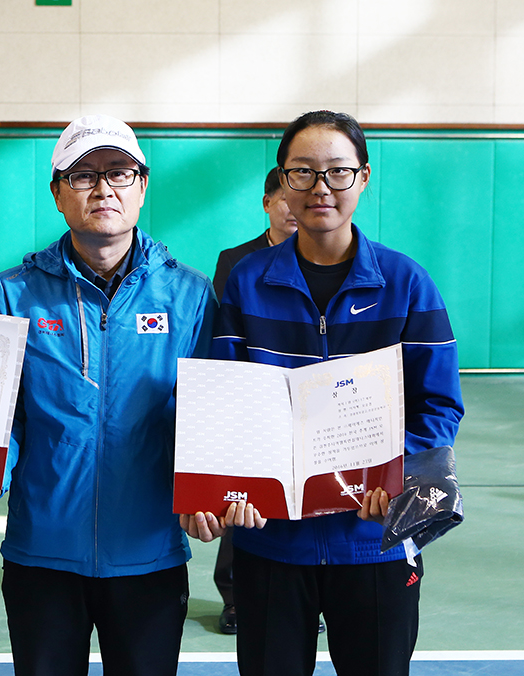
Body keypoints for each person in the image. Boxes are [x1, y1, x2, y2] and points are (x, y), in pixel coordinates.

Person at [188, 110, 464, 676]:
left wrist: (392, 472)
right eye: (303, 172)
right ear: (282, 181)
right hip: (270, 549)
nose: (320, 188)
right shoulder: (247, 282)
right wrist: (227, 486)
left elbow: (439, 407)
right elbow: (227, 400)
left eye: (337, 172)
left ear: (363, 178)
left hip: (376, 542)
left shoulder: (407, 284)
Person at [0, 114, 217, 676]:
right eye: (83, 176)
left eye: (119, 173)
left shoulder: (189, 295)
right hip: (42, 552)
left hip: (149, 554)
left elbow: (208, 411)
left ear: (142, 186)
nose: (103, 189)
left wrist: (214, 487)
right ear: (58, 195)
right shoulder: (14, 293)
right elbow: (4, 413)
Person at [209, 167, 298, 635]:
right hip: (250, 401)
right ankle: (235, 597)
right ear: (268, 203)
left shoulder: (323, 260)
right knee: (239, 501)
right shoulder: (237, 261)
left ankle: (304, 598)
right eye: (283, 198)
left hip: (306, 407)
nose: (293, 208)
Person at [211, 167, 299, 300]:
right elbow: (222, 318)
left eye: (301, 201)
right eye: (287, 200)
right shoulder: (234, 260)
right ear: (267, 203)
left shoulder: (324, 259)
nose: (295, 210)